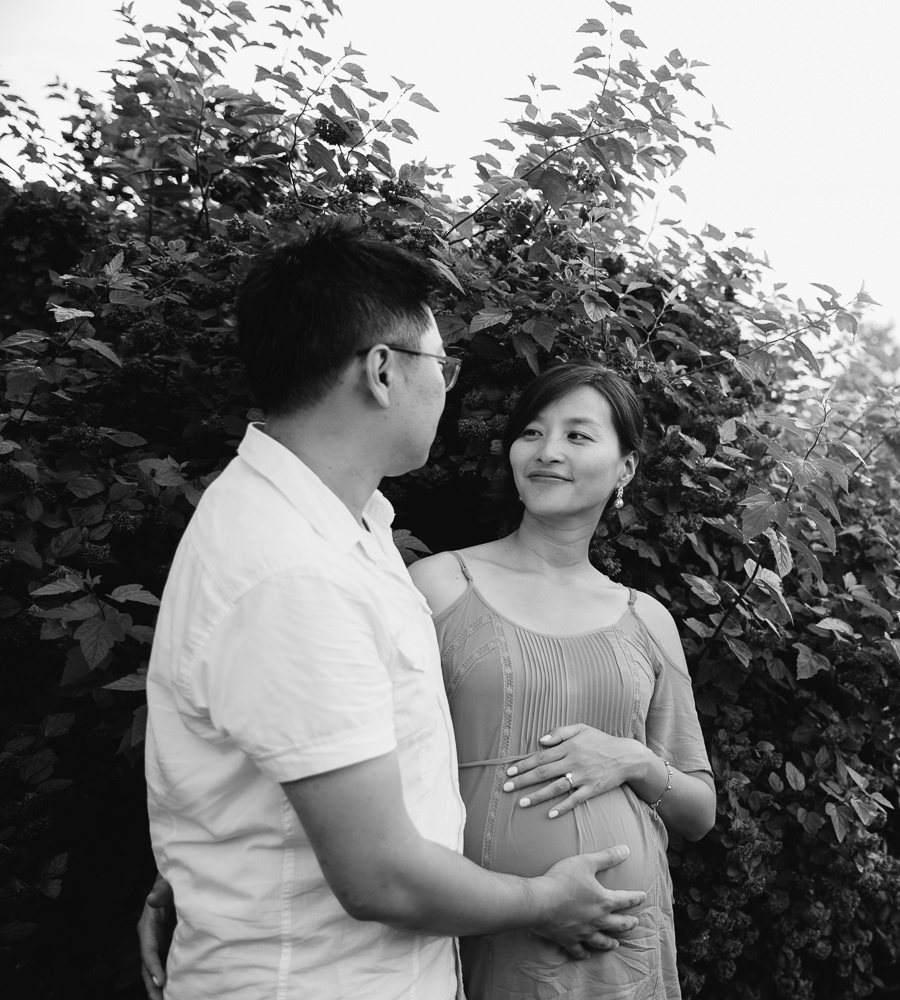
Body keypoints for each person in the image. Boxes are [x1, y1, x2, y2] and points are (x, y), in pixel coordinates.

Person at [138, 222, 645, 1000]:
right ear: (382, 371)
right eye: (442, 364)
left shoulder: (347, 528)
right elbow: (378, 877)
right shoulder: (293, 569)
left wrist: (200, 869)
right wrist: (544, 900)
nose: (449, 385)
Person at [408, 362, 716, 999]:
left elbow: (700, 812)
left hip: (619, 949)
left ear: (625, 468)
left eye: (578, 436)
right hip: (480, 932)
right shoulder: (438, 585)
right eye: (532, 432)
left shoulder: (646, 619)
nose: (548, 452)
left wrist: (633, 759)